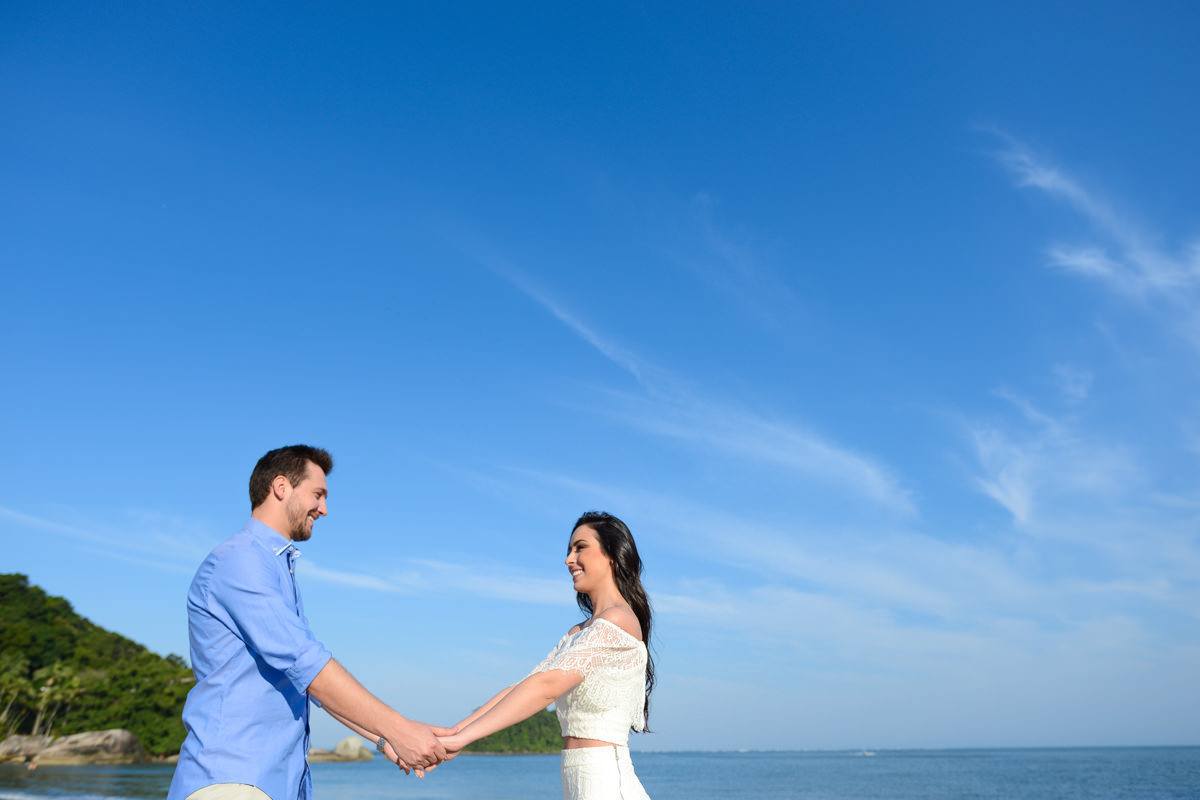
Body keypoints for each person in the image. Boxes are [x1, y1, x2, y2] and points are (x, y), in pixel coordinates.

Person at [167, 445, 448, 800]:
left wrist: (382, 736)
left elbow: (303, 681)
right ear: (281, 487)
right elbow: (306, 662)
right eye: (318, 494)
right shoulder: (239, 561)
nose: (325, 509)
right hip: (233, 782)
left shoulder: (273, 566)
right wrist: (400, 728)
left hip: (270, 785)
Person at [438, 511, 655, 799]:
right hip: (578, 782)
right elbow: (523, 686)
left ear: (612, 555)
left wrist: (464, 738)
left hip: (607, 782)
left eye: (580, 547)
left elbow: (547, 687)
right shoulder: (577, 632)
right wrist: (454, 734)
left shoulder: (618, 620)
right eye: (568, 551)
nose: (568, 560)